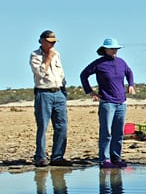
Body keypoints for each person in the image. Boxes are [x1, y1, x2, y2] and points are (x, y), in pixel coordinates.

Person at [80, 37, 136, 169]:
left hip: (121, 102)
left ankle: (116, 158)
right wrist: (90, 92)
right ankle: (104, 159)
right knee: (106, 132)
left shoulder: (121, 62)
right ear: (105, 49)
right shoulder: (99, 64)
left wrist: (131, 84)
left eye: (116, 48)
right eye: (112, 48)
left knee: (118, 132)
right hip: (107, 102)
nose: (115, 50)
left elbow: (129, 72)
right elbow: (83, 75)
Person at [29, 29, 71, 167]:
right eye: (49, 42)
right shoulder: (35, 55)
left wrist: (64, 91)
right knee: (43, 126)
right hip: (43, 93)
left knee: (62, 126)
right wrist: (48, 58)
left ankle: (58, 156)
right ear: (42, 41)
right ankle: (40, 156)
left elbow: (61, 73)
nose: (52, 45)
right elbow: (40, 73)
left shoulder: (57, 54)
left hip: (58, 93)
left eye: (54, 42)